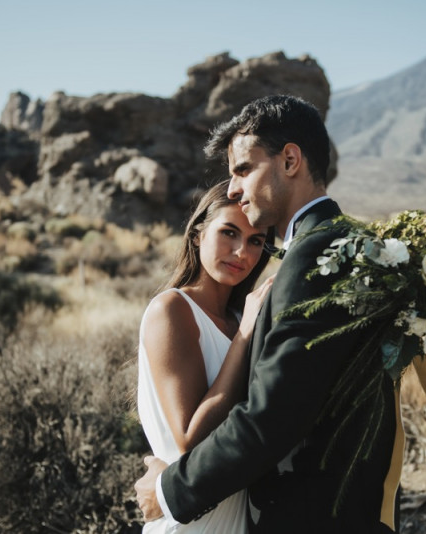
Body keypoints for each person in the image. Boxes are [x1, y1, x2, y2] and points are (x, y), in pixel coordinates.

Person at [136, 95, 398, 533]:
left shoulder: (314, 256)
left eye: (242, 169)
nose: (234, 188)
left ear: (290, 160)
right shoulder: (342, 243)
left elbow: (273, 416)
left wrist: (168, 490)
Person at [136, 180, 274, 533]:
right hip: (187, 523)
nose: (242, 252)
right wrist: (244, 337)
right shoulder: (172, 309)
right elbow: (189, 439)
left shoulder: (242, 317)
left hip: (236, 516)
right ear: (197, 235)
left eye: (256, 241)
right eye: (229, 232)